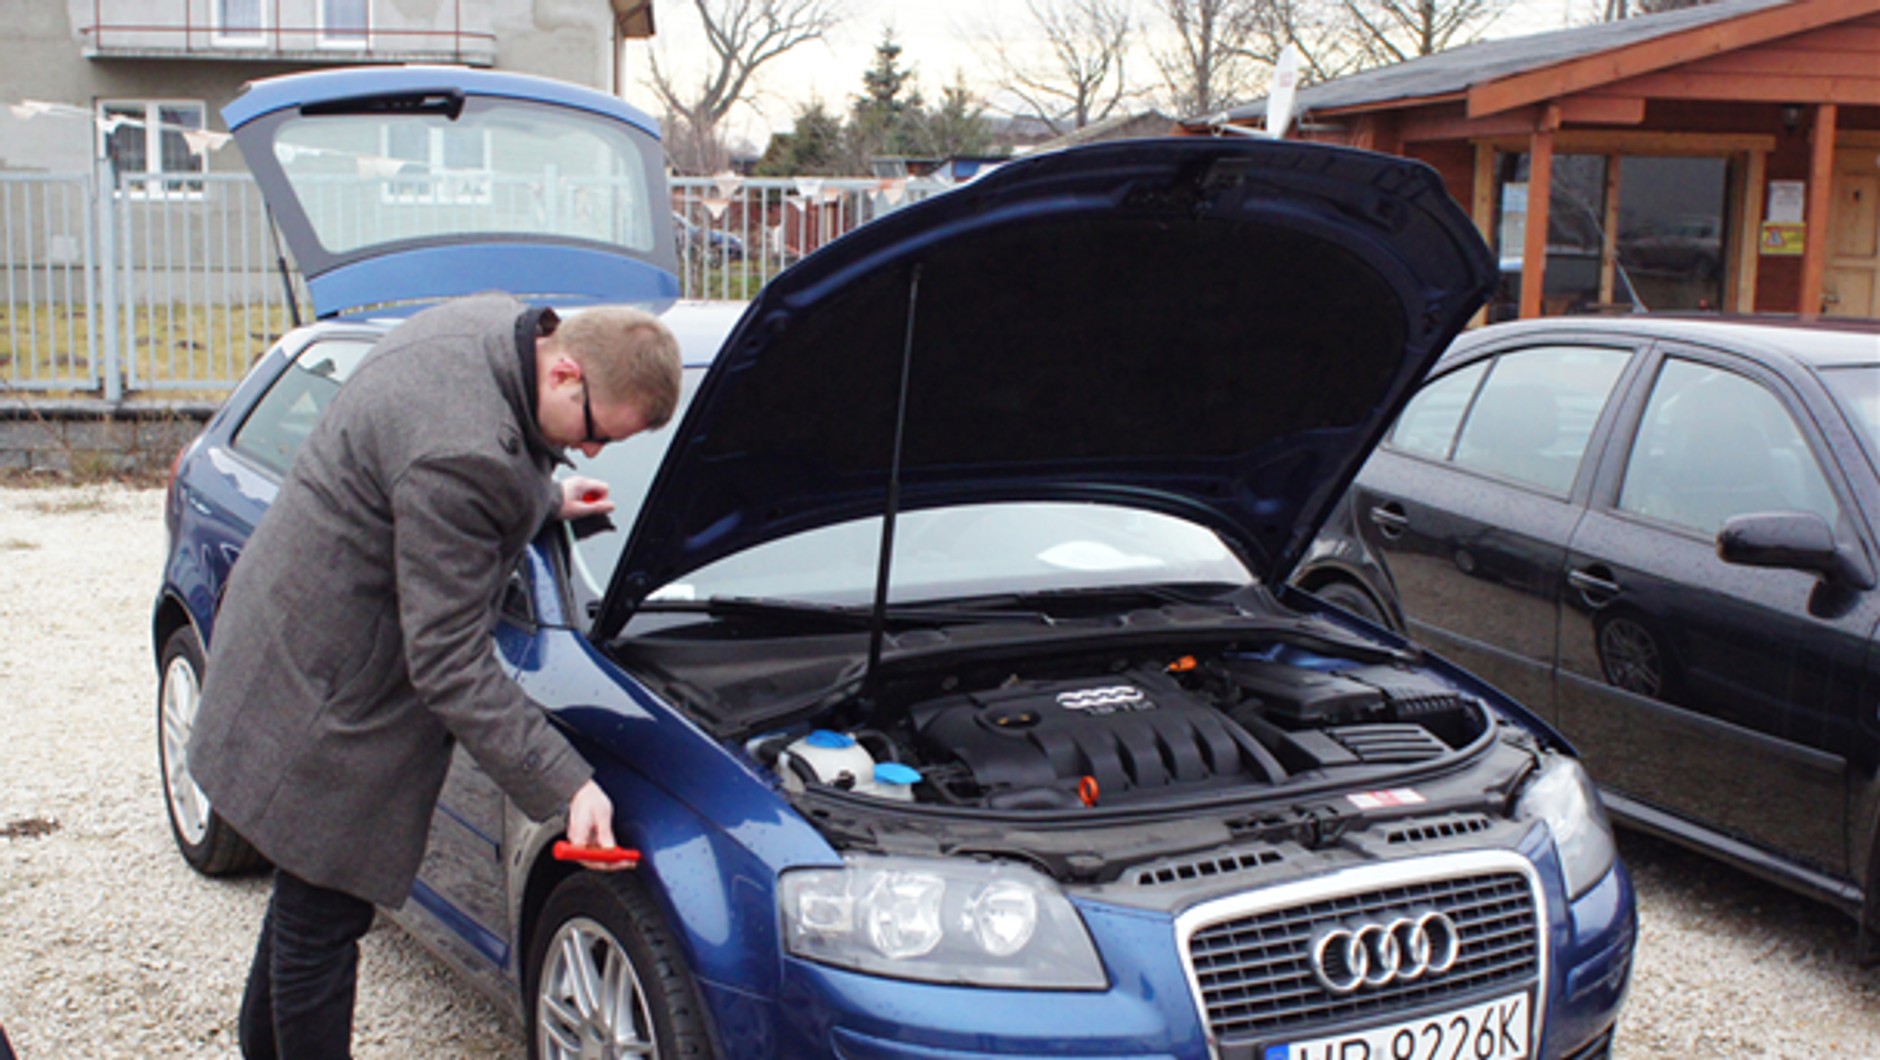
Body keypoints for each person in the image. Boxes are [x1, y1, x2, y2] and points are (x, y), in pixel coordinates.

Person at [186, 292, 681, 1059]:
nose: (589, 453)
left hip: (290, 623)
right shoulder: (463, 454)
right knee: (323, 924)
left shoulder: (491, 325)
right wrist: (566, 784)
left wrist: (543, 497)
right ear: (564, 372)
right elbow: (448, 660)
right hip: (329, 691)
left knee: (306, 898)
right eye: (593, 433)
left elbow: (457, 458)